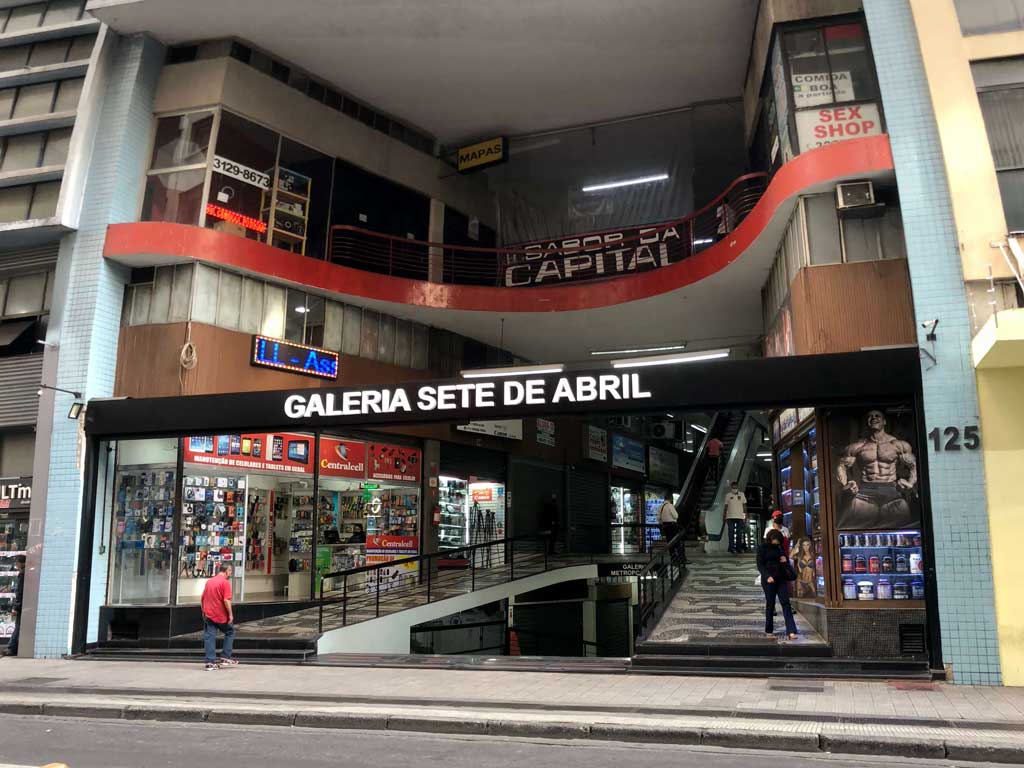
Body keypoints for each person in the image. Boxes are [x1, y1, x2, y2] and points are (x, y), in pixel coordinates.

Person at [836, 409, 918, 529]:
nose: (874, 418)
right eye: (870, 416)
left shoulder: (898, 445)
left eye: (877, 416)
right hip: (865, 493)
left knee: (904, 525)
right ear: (867, 423)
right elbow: (841, 465)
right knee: (856, 528)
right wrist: (845, 485)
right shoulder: (859, 446)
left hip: (891, 492)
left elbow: (913, 465)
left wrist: (910, 483)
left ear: (884, 421)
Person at [757, 529, 798, 640]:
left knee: (786, 603)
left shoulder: (780, 548)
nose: (776, 542)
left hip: (780, 579)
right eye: (775, 540)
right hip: (769, 580)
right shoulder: (762, 548)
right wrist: (767, 576)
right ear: (770, 538)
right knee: (770, 604)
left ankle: (791, 630)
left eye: (778, 540)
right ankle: (769, 631)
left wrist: (785, 561)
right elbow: (760, 565)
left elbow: (786, 564)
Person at [201, 563, 238, 670]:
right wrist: (230, 614)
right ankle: (225, 657)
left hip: (209, 615)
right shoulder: (225, 583)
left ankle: (210, 662)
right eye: (230, 571)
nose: (230, 573)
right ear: (227, 570)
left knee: (210, 637)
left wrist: (203, 611)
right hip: (220, 615)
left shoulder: (209, 581)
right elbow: (226, 600)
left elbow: (202, 598)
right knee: (230, 632)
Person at [2, 555, 25, 657]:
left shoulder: (22, 574)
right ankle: (13, 647)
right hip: (23, 605)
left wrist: (16, 606)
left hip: (21, 606)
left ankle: (12, 648)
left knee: (18, 626)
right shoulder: (25, 573)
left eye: (17, 563)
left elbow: (20, 592)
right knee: (18, 627)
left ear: (21, 563)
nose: (16, 565)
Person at [724, 482, 747, 553]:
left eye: (735, 487)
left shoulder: (742, 494)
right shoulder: (728, 495)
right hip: (730, 517)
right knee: (731, 533)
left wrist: (745, 515)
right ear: (731, 487)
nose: (734, 489)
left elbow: (744, 505)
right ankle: (731, 548)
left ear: (737, 487)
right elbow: (726, 506)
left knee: (739, 533)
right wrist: (724, 515)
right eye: (733, 487)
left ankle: (738, 548)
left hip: (740, 517)